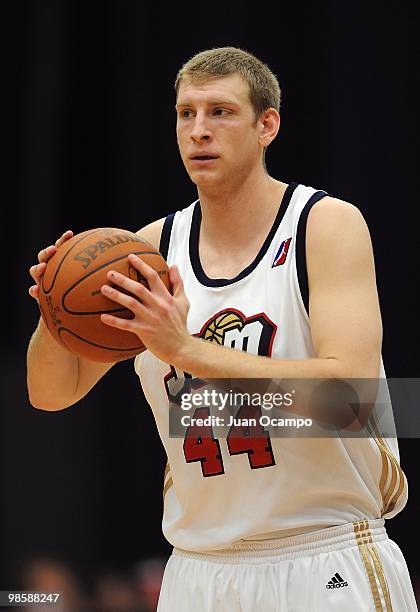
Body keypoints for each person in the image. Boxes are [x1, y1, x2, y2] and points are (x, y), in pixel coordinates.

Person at [27, 47, 417, 611]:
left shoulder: (325, 225)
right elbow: (50, 393)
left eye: (220, 112)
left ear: (267, 125)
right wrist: (54, 312)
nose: (199, 130)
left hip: (325, 555)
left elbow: (351, 399)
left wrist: (187, 351)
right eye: (186, 114)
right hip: (198, 572)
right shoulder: (149, 250)